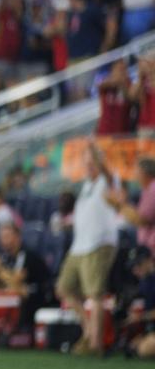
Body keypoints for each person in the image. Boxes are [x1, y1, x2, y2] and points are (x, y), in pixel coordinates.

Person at [56, 143, 120, 356]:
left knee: (96, 295)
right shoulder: (86, 185)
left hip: (98, 244)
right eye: (87, 163)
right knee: (64, 288)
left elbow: (109, 179)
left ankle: (96, 344)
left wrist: (98, 158)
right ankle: (88, 327)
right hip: (79, 245)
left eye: (92, 163)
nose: (89, 166)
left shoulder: (108, 181)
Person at [108, 157, 155, 251]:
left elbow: (142, 219)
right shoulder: (147, 190)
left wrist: (119, 204)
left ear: (144, 172)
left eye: (137, 171)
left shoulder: (152, 189)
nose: (135, 175)